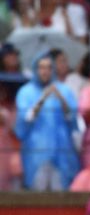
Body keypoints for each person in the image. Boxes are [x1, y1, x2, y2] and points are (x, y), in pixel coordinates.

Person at [15, 53, 79, 191]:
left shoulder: (64, 90)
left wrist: (60, 98)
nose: (45, 71)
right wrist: (42, 98)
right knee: (38, 194)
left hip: (61, 152)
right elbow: (25, 119)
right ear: (36, 69)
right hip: (36, 152)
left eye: (49, 67)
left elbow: (72, 118)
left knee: (60, 194)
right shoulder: (25, 92)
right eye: (42, 67)